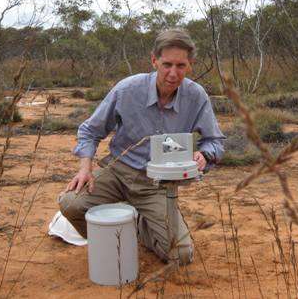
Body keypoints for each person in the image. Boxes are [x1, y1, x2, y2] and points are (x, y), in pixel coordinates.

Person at [59, 29, 225, 265]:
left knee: (181, 255)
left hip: (157, 183)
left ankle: (137, 222)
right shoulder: (127, 90)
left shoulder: (196, 96)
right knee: (71, 204)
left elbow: (215, 141)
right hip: (118, 171)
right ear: (154, 60)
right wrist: (84, 168)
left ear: (190, 65)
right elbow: (90, 130)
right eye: (167, 64)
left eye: (181, 65)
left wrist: (205, 156)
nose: (173, 73)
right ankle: (115, 238)